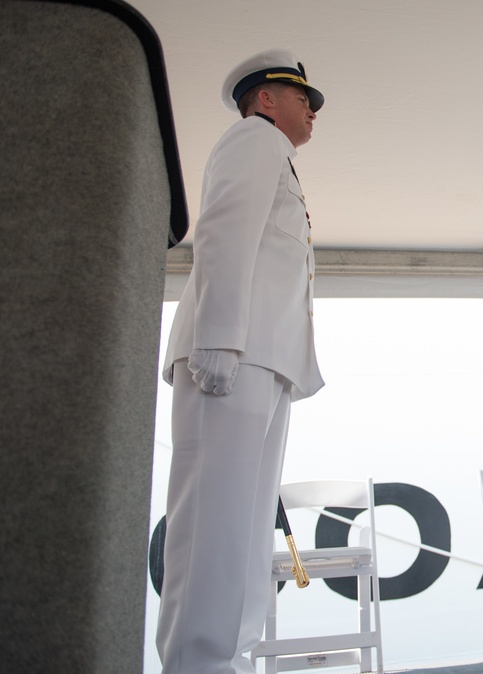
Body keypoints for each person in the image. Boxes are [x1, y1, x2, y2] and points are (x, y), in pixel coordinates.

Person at [156, 49, 326, 674]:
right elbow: (225, 230)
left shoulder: (275, 154)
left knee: (244, 526)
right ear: (264, 100)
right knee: (212, 524)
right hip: (232, 352)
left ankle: (225, 658)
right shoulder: (252, 140)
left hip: (263, 358)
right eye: (301, 96)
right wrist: (220, 337)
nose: (313, 109)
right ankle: (195, 663)